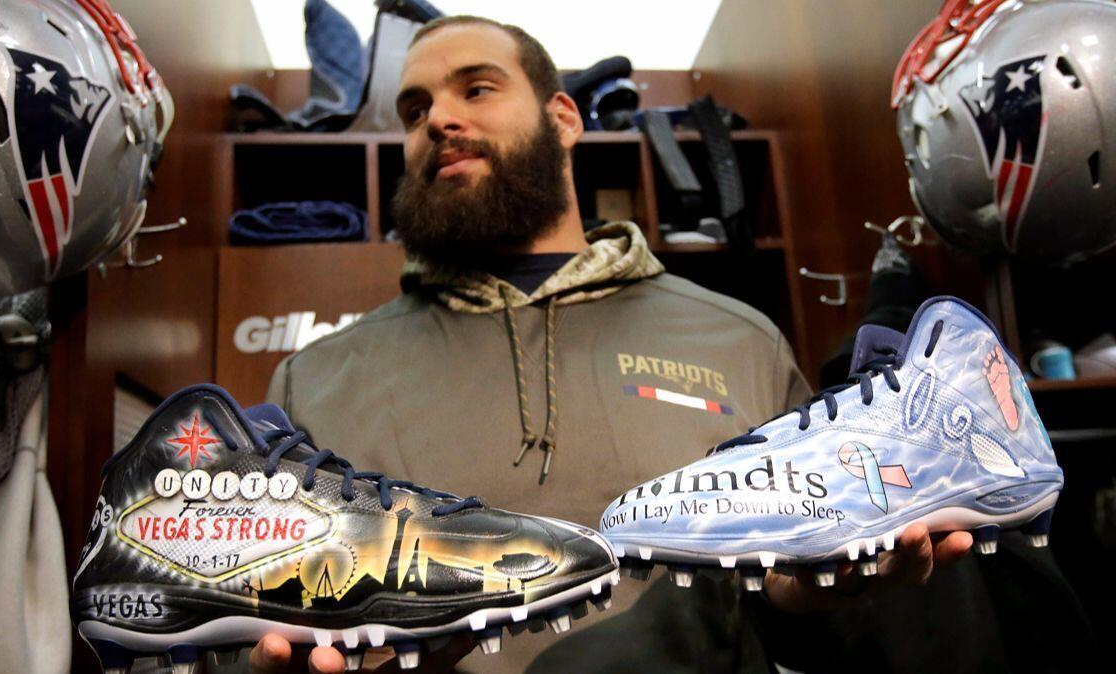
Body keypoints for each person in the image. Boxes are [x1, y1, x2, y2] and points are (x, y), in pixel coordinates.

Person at [248, 15, 978, 674]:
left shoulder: (740, 340)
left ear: (563, 117)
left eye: (476, 89)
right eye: (414, 109)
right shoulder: (314, 382)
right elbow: (248, 624)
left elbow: (811, 624)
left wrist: (811, 599)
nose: (438, 119)